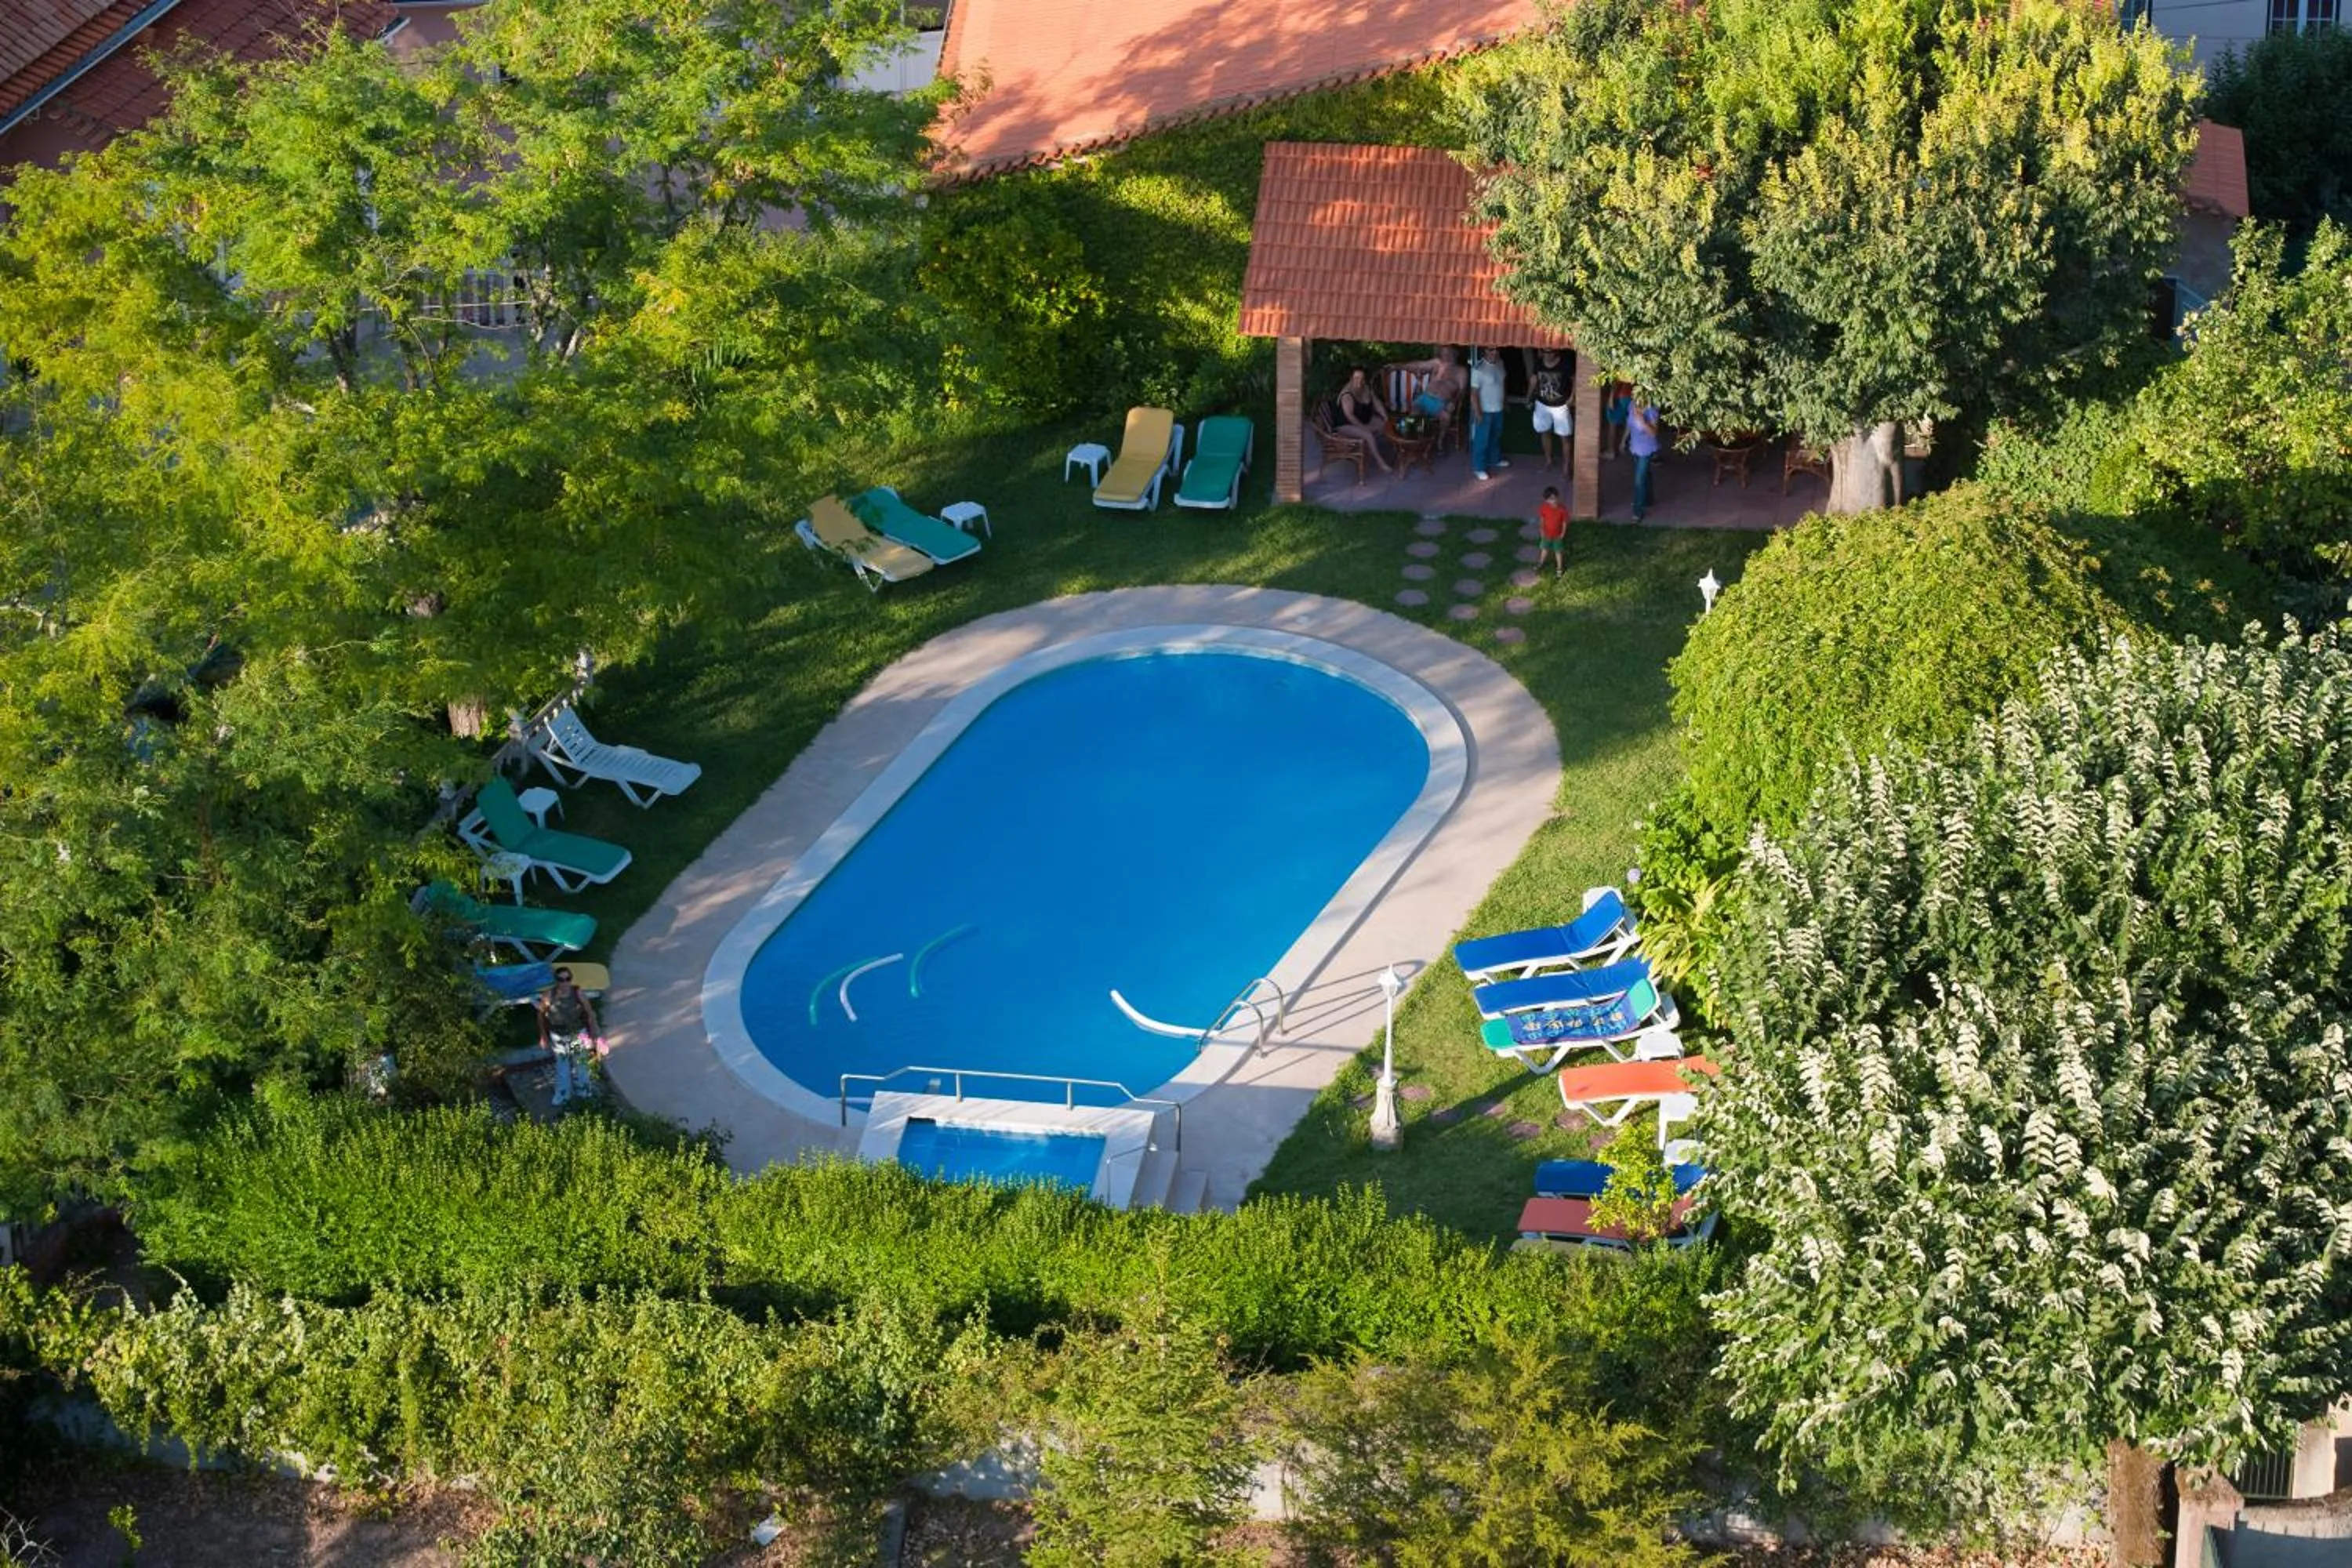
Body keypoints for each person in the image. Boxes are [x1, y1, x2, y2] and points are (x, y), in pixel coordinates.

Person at [537, 965, 606, 1108]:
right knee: (562, 1067)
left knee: (581, 1065)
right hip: (558, 1035)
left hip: (577, 1034)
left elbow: (590, 1013)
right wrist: (543, 1036)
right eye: (561, 980)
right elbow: (540, 1016)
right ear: (556, 981)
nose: (565, 983)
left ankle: (584, 1093)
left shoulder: (578, 993)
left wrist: (594, 1034)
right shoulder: (549, 996)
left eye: (568, 979)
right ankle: (563, 1094)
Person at [1396, 347, 1466, 448]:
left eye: (1450, 353)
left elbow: (1462, 391)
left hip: (1441, 404)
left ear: (1456, 353)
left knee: (1446, 417)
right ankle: (1413, 442)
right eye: (1444, 353)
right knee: (1414, 416)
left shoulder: (1461, 371)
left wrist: (1454, 402)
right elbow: (1418, 365)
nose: (1447, 356)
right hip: (1425, 399)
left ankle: (1440, 441)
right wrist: (1400, 366)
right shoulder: (1437, 363)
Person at [1334, 366, 1393, 473]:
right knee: (1368, 435)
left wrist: (1386, 417)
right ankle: (1380, 462)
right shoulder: (1347, 395)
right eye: (1356, 378)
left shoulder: (1366, 388)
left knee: (1385, 425)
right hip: (1346, 424)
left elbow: (1377, 403)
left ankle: (1393, 451)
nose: (1359, 382)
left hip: (1363, 419)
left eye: (1362, 379)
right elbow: (1350, 417)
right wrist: (1365, 428)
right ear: (1351, 379)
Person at [1468, 346, 1509, 481]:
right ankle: (1478, 468)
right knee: (1481, 441)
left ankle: (1495, 459)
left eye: (1497, 350)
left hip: (1498, 409)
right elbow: (1473, 395)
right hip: (1485, 411)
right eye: (1491, 350)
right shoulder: (1478, 369)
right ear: (1485, 351)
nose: (1494, 352)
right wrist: (1478, 413)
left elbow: (1502, 384)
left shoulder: (1501, 363)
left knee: (1495, 437)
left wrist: (1504, 401)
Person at [1530, 348, 1573, 475]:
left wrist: (1572, 397)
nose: (1547, 355)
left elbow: (1575, 378)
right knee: (1545, 432)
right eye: (1545, 352)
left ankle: (1566, 465)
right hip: (1542, 404)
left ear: (1556, 352)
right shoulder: (1539, 363)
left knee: (1565, 437)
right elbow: (1534, 380)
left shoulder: (1565, 364)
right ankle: (1548, 460)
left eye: (1550, 352)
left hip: (1560, 406)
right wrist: (1529, 396)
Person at [1628, 395, 1663, 522]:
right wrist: (1623, 441)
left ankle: (1638, 511)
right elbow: (1629, 424)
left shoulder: (1651, 409)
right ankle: (1648, 500)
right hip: (1635, 447)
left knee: (1639, 479)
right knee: (1645, 474)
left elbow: (1654, 432)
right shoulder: (1631, 404)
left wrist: (1642, 421)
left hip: (1646, 449)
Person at [1537, 485, 1570, 578]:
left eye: (1554, 498)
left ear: (1558, 497)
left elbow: (1564, 522)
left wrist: (1563, 533)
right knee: (1544, 549)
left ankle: (1559, 568)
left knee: (1558, 551)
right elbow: (1542, 519)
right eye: (1550, 499)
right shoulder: (1544, 507)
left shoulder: (1562, 509)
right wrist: (1541, 530)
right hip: (1546, 534)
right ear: (1546, 500)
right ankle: (1541, 563)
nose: (1553, 501)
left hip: (1557, 536)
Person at [1602, 382, 1632, 459]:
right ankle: (1622, 444)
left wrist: (1611, 398)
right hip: (1630, 396)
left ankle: (1610, 451)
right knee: (1627, 422)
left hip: (1620, 396)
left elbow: (1615, 384)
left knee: (1612, 424)